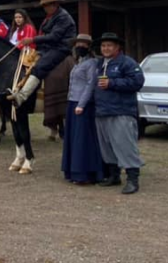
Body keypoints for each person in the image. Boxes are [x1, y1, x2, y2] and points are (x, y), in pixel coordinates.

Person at [94, 32, 145, 195]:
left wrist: (112, 83)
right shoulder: (100, 63)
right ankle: (114, 175)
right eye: (103, 46)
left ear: (117, 47)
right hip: (102, 111)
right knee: (107, 146)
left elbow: (138, 82)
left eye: (109, 45)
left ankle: (133, 179)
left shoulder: (127, 63)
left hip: (121, 111)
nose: (106, 48)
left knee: (125, 145)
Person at [12, 0, 77, 105]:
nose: (46, 8)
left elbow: (54, 37)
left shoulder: (63, 17)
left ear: (55, 5)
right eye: (44, 6)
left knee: (40, 66)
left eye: (48, 5)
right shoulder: (50, 17)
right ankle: (17, 87)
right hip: (48, 47)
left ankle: (22, 96)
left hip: (60, 47)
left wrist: (32, 40)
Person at [61, 34, 105, 185]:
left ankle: (86, 173)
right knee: (73, 138)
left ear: (89, 47)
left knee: (83, 139)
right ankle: (73, 171)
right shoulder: (77, 63)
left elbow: (90, 84)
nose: (80, 46)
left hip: (82, 104)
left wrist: (82, 104)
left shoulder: (92, 63)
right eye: (78, 44)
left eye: (83, 44)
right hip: (72, 101)